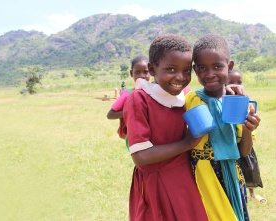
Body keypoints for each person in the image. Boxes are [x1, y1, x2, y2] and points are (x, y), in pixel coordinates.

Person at [123, 34, 208, 221]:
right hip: (155, 183)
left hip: (183, 176)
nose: (180, 77)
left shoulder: (184, 95)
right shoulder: (139, 99)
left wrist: (232, 89)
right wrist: (187, 143)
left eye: (186, 70)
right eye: (171, 69)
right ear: (152, 69)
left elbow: (212, 96)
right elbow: (140, 156)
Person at [185, 33, 261, 221]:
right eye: (202, 68)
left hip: (233, 178)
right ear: (195, 70)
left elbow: (244, 151)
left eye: (217, 66)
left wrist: (248, 130)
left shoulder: (238, 103)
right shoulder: (191, 100)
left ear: (230, 66)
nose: (210, 74)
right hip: (203, 178)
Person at [227, 69, 267, 204]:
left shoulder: (246, 105)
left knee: (250, 171)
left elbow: (246, 149)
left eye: (239, 82)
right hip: (229, 148)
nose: (235, 86)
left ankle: (252, 193)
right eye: (230, 82)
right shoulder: (220, 105)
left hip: (243, 144)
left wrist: (248, 130)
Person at [106, 55, 151, 143]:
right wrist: (130, 111)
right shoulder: (128, 93)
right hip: (134, 138)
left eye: (145, 72)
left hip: (152, 136)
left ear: (152, 71)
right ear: (131, 73)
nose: (141, 76)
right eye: (137, 72)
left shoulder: (155, 91)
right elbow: (110, 115)